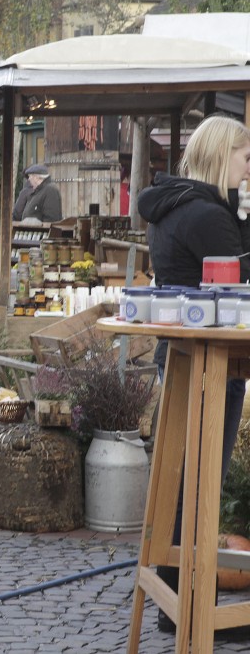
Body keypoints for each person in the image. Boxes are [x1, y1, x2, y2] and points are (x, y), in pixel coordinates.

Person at [137, 115, 250, 635]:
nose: (248, 167)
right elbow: (241, 279)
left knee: (188, 479)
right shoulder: (207, 214)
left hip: (182, 355)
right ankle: (192, 609)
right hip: (212, 359)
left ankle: (175, 601)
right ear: (223, 155)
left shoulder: (175, 204)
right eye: (244, 157)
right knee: (202, 483)